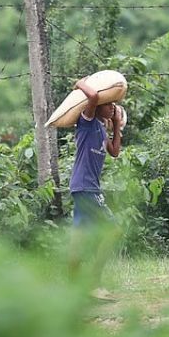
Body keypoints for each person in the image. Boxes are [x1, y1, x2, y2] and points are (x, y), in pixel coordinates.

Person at [69, 76, 125, 226]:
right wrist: (80, 83)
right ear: (97, 107)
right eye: (107, 104)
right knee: (112, 228)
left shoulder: (102, 130)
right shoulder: (87, 124)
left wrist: (116, 122)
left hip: (86, 187)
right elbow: (93, 97)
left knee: (80, 233)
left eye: (113, 104)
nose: (112, 107)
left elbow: (114, 152)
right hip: (85, 186)